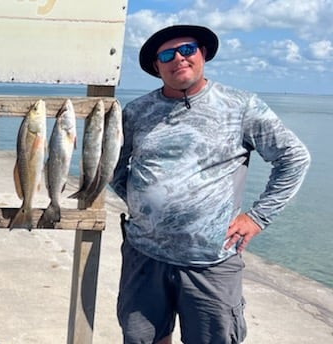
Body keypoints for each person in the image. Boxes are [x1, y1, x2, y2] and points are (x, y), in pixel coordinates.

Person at [110, 25, 310, 343]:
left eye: (187, 49)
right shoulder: (136, 112)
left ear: (202, 53)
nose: (179, 58)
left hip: (210, 263)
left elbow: (294, 158)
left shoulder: (242, 106)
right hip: (144, 257)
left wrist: (257, 218)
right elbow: (115, 168)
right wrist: (141, 203)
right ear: (156, 67)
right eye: (167, 55)